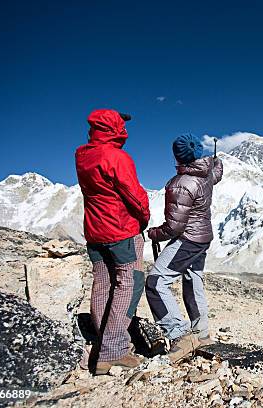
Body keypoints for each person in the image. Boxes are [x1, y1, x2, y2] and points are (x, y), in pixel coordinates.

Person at [75, 109, 150, 375]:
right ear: (116, 129)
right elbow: (134, 194)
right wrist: (144, 218)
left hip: (94, 233)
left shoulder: (82, 155)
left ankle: (100, 342)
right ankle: (113, 351)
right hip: (121, 231)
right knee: (129, 284)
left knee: (102, 285)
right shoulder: (117, 157)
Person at [145, 134, 223, 363]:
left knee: (156, 282)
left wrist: (153, 233)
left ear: (177, 156)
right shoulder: (207, 173)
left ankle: (179, 335)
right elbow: (217, 171)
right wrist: (217, 161)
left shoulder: (180, 184)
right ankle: (201, 333)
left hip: (187, 239)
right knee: (193, 279)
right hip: (203, 237)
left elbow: (174, 227)